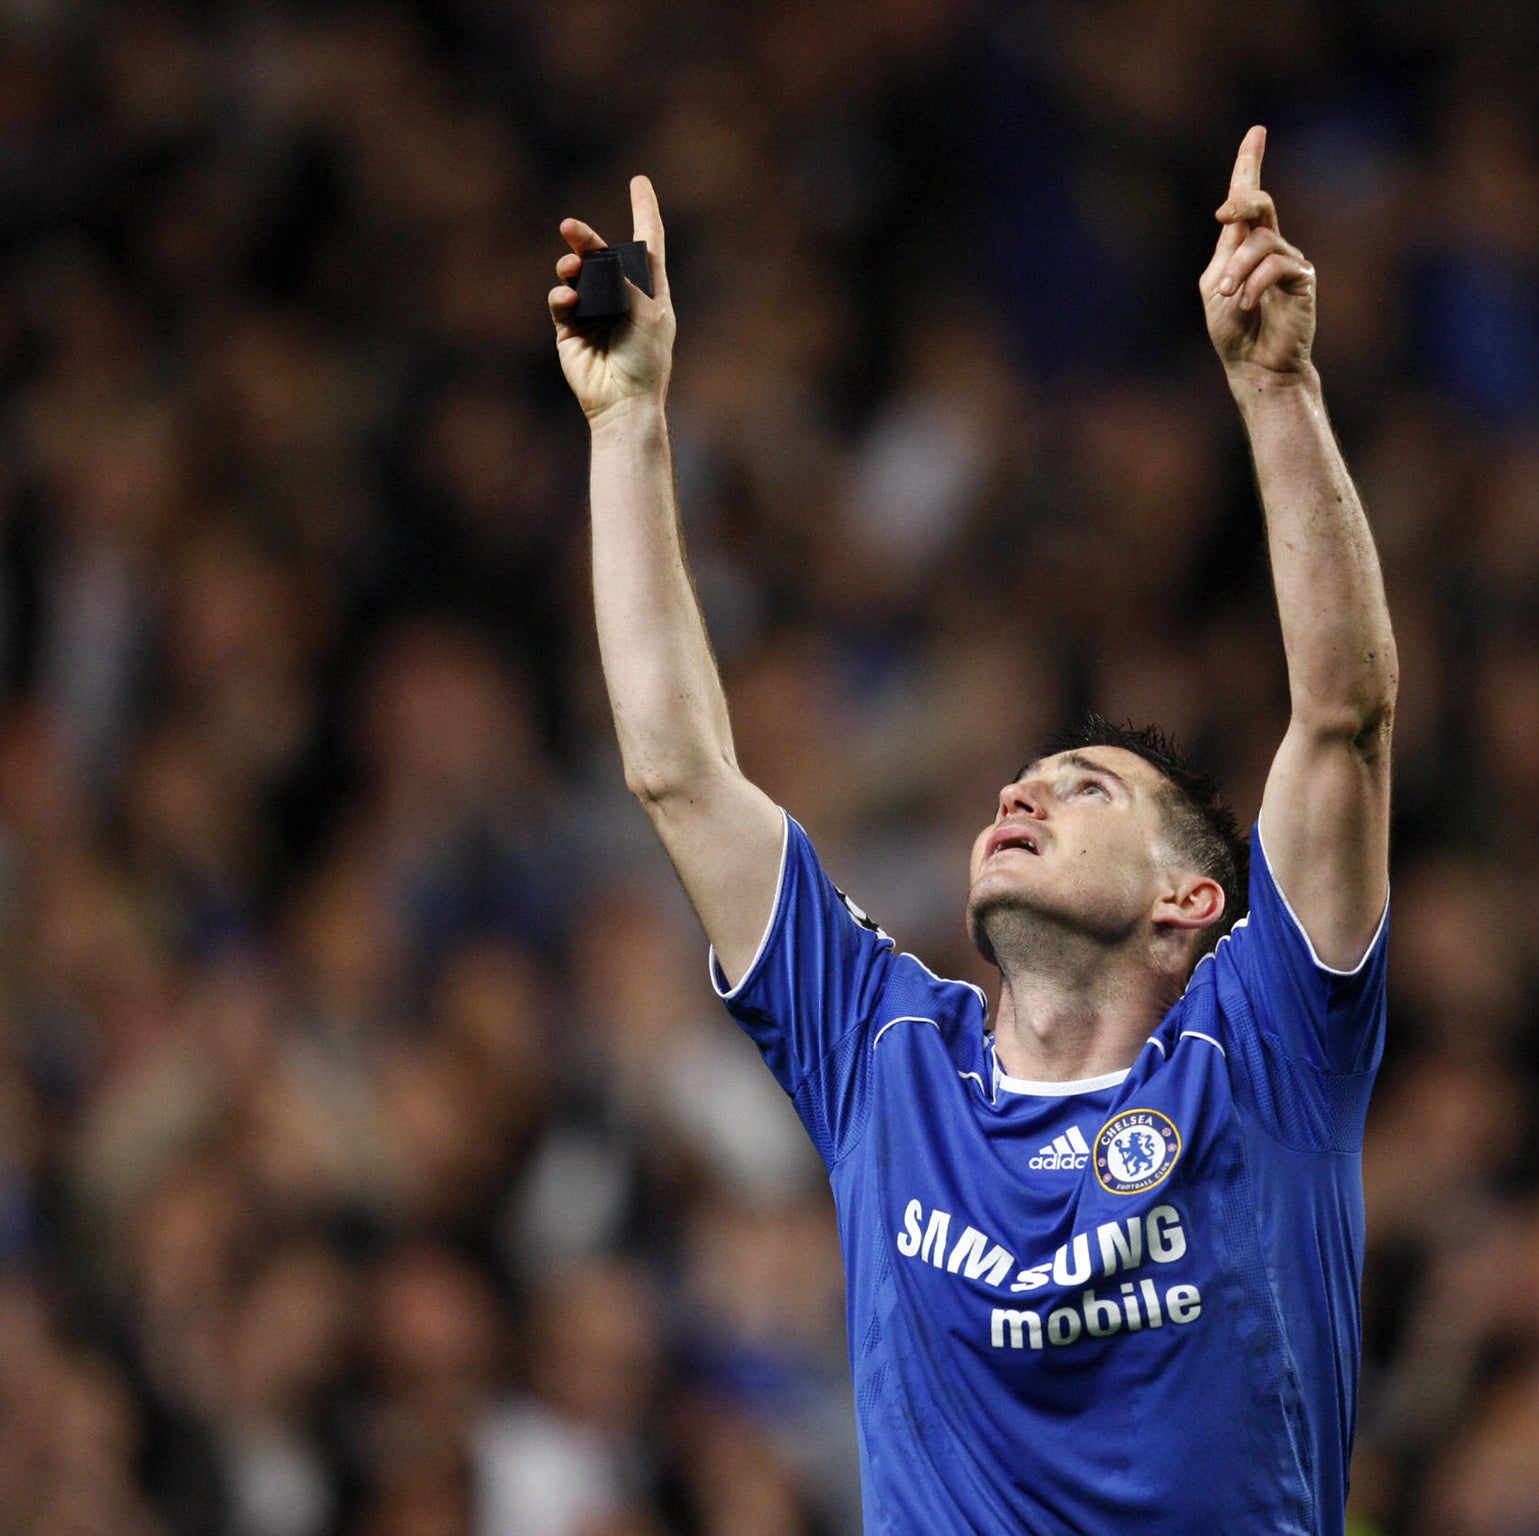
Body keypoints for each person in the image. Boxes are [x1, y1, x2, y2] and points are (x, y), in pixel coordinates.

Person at [548, 126, 1397, 1535]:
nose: (1022, 793)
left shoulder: (1265, 1045)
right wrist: (628, 425)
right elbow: (680, 773)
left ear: (1193, 902)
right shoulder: (887, 1058)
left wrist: (1277, 389)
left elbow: (1345, 718)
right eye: (1024, 778)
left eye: (1087, 788)